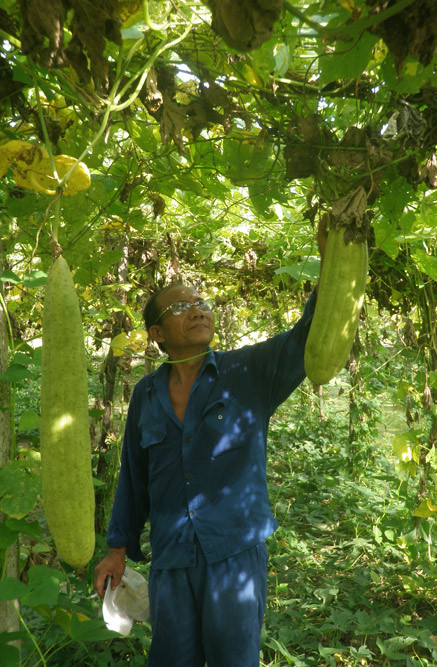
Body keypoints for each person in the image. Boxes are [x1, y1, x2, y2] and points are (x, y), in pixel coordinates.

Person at [94, 225, 327, 666]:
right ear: (156, 333)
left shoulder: (248, 372)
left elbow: (309, 336)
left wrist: (331, 263)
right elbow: (133, 477)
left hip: (233, 555)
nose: (198, 311)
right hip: (171, 559)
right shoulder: (146, 394)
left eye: (201, 303)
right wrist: (117, 549)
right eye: (181, 307)